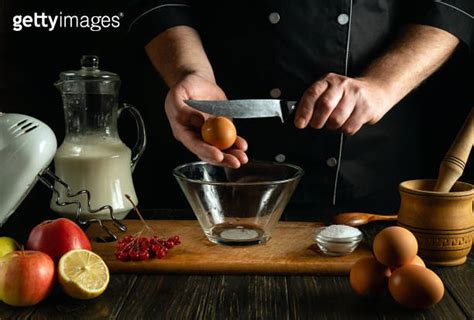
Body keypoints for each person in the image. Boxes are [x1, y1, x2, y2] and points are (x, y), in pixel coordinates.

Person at [125, 1, 473, 218]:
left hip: (364, 180)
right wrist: (189, 71)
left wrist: (384, 83)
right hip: (219, 185)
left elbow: (447, 5)